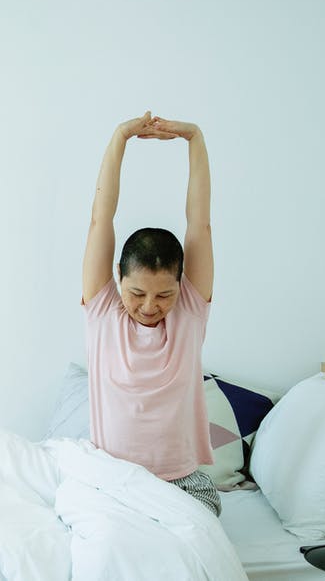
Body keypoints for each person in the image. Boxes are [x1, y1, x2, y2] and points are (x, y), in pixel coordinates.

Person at [80, 111, 220, 516]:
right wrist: (120, 137)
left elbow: (200, 225)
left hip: (180, 481)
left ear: (182, 285)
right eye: (137, 292)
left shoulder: (190, 312)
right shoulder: (103, 309)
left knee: (188, 539)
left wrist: (195, 139)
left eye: (164, 295)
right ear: (118, 279)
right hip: (111, 477)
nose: (148, 307)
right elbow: (98, 220)